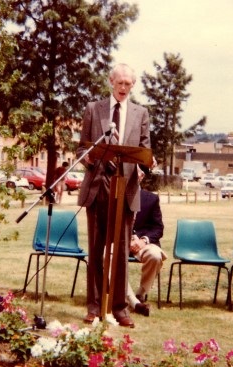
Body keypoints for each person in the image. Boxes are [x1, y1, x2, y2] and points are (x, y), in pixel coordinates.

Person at [76, 63, 150, 328]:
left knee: (120, 251)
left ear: (132, 86)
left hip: (126, 186)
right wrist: (91, 162)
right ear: (110, 82)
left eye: (128, 84)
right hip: (98, 186)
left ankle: (119, 308)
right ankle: (94, 307)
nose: (123, 88)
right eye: (119, 83)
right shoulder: (92, 109)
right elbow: (81, 149)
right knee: (96, 249)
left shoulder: (141, 113)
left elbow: (144, 149)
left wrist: (141, 169)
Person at [126, 175, 167, 317]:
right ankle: (133, 302)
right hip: (121, 242)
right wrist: (127, 238)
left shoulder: (151, 199)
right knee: (107, 255)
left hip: (143, 243)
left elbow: (158, 228)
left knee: (155, 255)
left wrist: (142, 240)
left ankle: (140, 294)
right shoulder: (116, 196)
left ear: (141, 176)